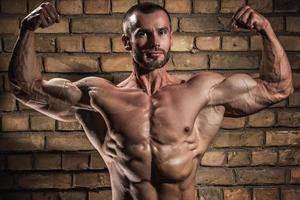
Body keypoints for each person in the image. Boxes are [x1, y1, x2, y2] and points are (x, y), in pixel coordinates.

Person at [8, 2, 293, 200]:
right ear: (127, 42)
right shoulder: (100, 96)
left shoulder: (202, 91)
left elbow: (278, 88)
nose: (154, 42)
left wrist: (265, 29)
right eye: (143, 33)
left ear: (171, 38)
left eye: (162, 32)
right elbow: (25, 88)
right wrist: (27, 30)